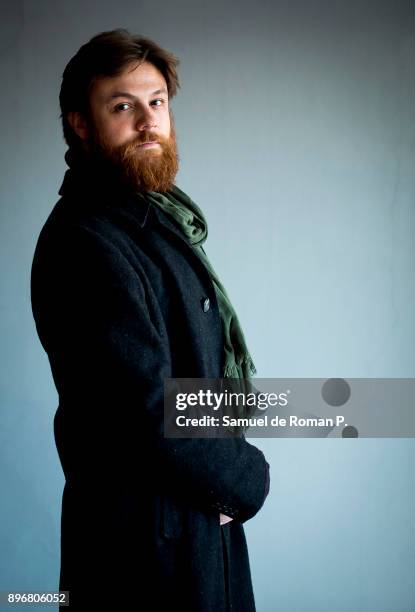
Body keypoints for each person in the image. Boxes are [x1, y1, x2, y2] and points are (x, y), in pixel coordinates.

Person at [30, 28, 270, 611]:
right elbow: (146, 409)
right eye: (122, 105)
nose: (147, 122)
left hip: (191, 533)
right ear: (80, 123)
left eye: (157, 102)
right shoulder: (87, 241)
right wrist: (247, 476)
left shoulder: (153, 222)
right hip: (143, 556)